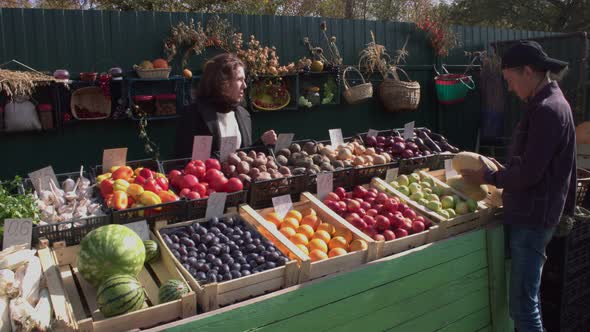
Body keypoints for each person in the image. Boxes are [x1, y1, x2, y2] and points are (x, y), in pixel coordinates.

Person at [461, 40, 576, 332]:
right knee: (528, 298)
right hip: (535, 214)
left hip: (533, 219)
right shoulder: (546, 103)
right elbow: (535, 163)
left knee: (523, 307)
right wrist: (506, 170)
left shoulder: (548, 110)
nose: (510, 89)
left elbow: (529, 175)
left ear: (528, 71)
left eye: (510, 81)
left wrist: (488, 178)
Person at [175, 53, 277, 157]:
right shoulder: (193, 115)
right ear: (222, 83)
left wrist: (261, 143)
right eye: (239, 79)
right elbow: (188, 161)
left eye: (244, 80)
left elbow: (243, 157)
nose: (245, 85)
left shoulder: (243, 115)